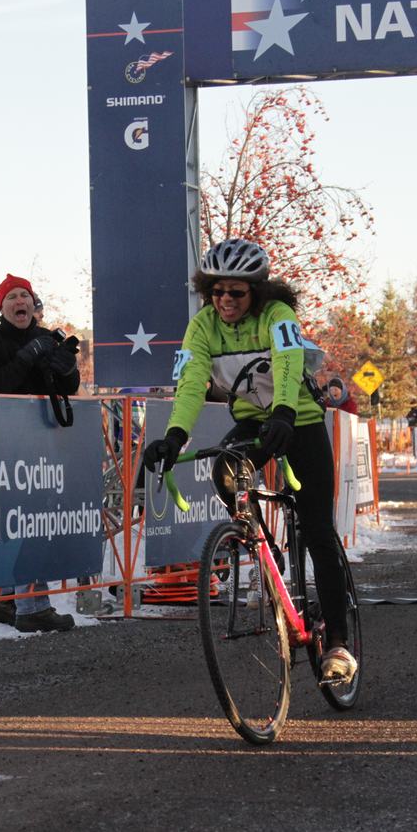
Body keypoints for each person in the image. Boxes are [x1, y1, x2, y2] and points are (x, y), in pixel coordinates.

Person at [141, 238, 357, 683]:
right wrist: (174, 436)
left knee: (318, 529)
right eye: (216, 291)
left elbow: (286, 363)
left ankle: (338, 641)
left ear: (256, 292)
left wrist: (284, 411)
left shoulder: (278, 315)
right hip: (253, 424)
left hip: (299, 419)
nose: (225, 301)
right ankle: (263, 549)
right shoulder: (202, 327)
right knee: (225, 468)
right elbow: (192, 382)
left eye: (235, 293)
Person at [0, 274, 80, 633]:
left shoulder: (45, 338)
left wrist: (68, 368)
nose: (21, 301)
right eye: (13, 297)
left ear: (33, 304)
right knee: (22, 521)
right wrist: (27, 356)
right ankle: (32, 606)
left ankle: (4, 600)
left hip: (42, 445)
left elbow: (67, 389)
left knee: (19, 522)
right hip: (2, 446)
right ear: (1, 307)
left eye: (26, 296)